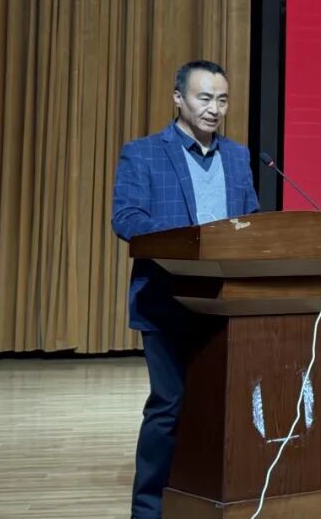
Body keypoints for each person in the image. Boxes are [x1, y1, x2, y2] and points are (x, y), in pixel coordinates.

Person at [111, 60, 260, 519]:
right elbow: (127, 218)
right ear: (179, 98)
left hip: (226, 303)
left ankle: (211, 500)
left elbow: (251, 220)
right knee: (169, 407)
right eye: (204, 98)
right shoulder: (143, 153)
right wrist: (190, 242)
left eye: (222, 100)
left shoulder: (237, 156)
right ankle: (148, 510)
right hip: (167, 301)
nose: (214, 109)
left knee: (222, 409)